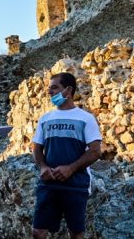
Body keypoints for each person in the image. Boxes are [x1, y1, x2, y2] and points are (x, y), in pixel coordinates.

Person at [31, 72, 102, 239]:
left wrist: (70, 169)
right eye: (49, 88)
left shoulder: (86, 118)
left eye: (55, 88)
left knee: (76, 233)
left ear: (68, 90)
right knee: (37, 232)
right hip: (48, 184)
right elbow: (36, 148)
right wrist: (42, 167)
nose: (50, 92)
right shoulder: (45, 119)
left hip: (76, 185)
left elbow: (95, 151)